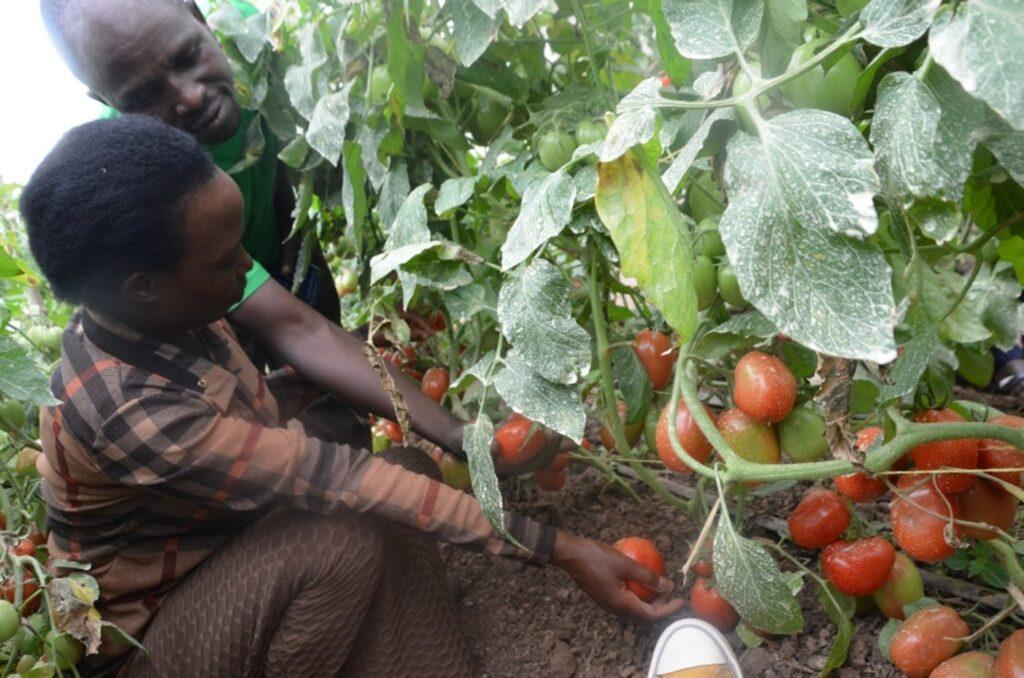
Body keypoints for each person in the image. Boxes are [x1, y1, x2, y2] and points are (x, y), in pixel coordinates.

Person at [21, 116, 683, 676]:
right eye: (226, 260)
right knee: (343, 535)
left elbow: (295, 343)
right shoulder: (120, 405)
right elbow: (335, 479)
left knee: (408, 470)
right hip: (149, 643)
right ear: (145, 287)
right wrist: (562, 550)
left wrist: (459, 436)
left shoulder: (165, 296)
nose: (246, 265)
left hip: (223, 558)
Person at [38, 0, 454, 457]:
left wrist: (295, 249)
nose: (190, 97)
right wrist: (457, 435)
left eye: (188, 56)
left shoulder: (257, 41)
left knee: (334, 396)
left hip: (278, 250)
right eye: (143, 96)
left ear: (199, 15)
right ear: (105, 99)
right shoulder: (136, 183)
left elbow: (276, 147)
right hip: (209, 298)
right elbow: (298, 330)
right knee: (271, 427)